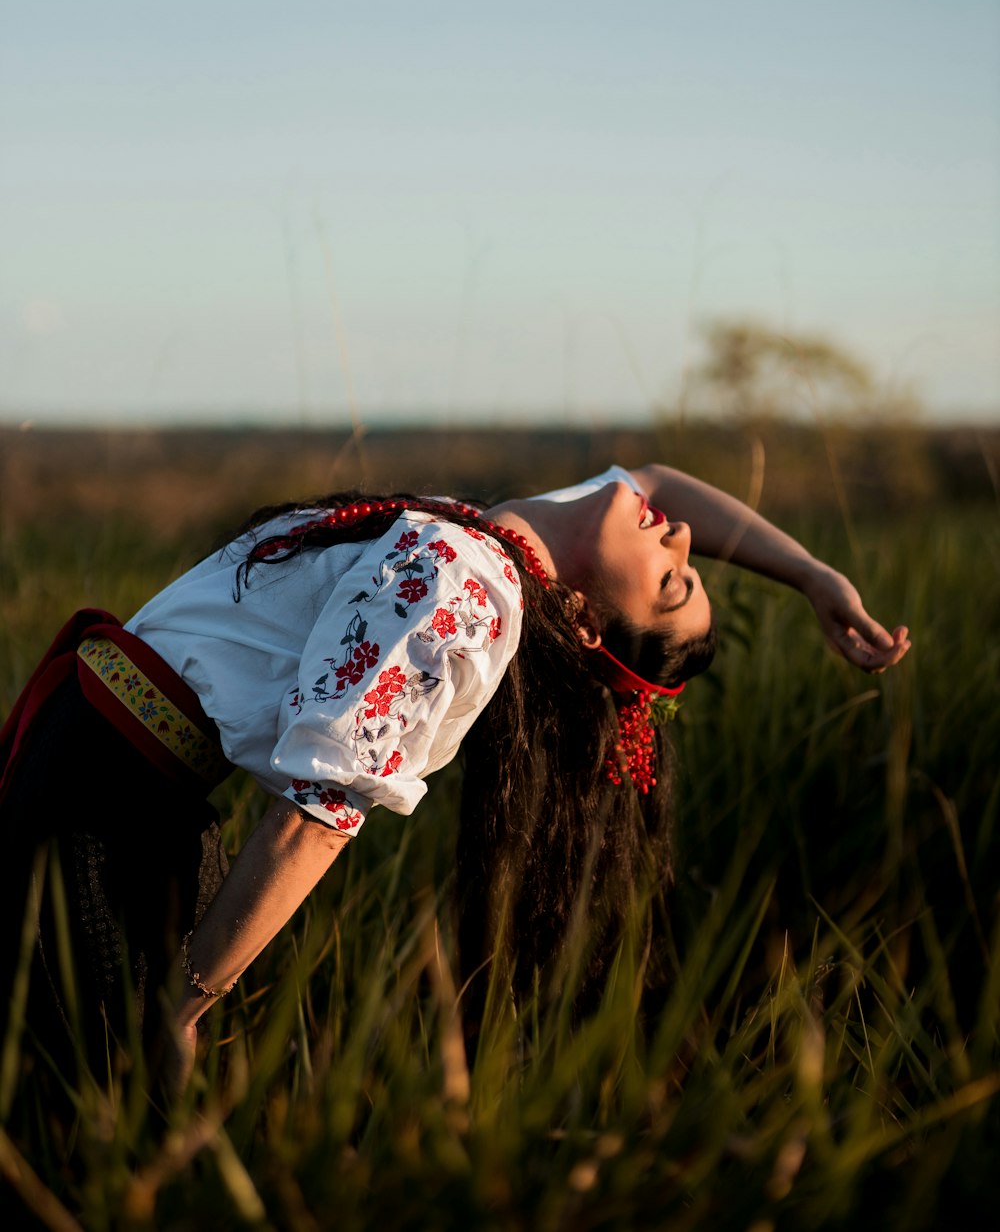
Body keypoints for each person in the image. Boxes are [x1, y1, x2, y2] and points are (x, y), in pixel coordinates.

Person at [0, 461, 909, 1092]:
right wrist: (813, 574)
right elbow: (661, 485)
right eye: (687, 557)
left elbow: (317, 814)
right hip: (93, 761)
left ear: (585, 622)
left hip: (109, 808)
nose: (675, 535)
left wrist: (187, 1005)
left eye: (670, 578)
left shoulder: (469, 595)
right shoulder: (482, 536)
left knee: (89, 1090)